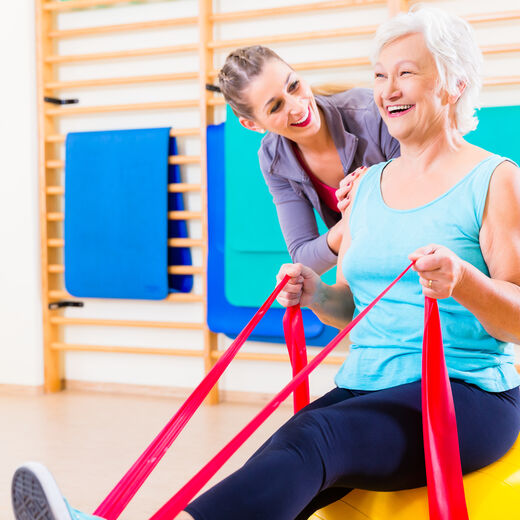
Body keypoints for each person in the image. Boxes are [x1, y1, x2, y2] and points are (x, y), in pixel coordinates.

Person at [12, 6, 520, 520]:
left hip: (466, 392)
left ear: (454, 83)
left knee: (316, 438)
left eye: (406, 73)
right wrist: (317, 293)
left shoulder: (494, 180)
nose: (387, 89)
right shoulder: (365, 187)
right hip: (371, 381)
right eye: (380, 76)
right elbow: (352, 308)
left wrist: (464, 282)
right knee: (287, 447)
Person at [216, 45, 400, 275]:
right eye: (276, 107)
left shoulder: (373, 115)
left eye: (293, 86)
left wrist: (364, 199)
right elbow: (304, 256)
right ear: (253, 125)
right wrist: (353, 219)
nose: (297, 106)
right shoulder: (273, 158)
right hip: (372, 272)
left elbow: (419, 206)